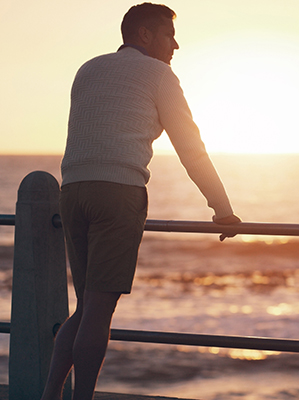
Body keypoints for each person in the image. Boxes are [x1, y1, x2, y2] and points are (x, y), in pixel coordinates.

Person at [40, 3, 241, 399]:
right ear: (144, 35)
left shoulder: (88, 69)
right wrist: (222, 207)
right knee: (98, 314)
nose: (176, 44)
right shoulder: (159, 74)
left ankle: (49, 396)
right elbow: (190, 147)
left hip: (73, 190)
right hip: (118, 193)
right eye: (168, 35)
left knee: (83, 309)